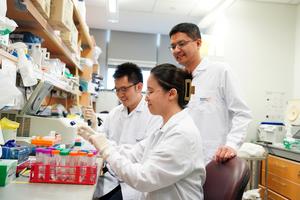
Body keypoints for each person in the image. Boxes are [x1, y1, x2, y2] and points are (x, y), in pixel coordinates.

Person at [78, 63, 206, 200]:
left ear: (171, 94)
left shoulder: (182, 134)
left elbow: (143, 178)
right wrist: (96, 138)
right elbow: (133, 154)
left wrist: (105, 149)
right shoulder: (165, 127)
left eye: (150, 91)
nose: (146, 97)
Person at [169, 22, 252, 164]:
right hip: (183, 159)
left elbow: (242, 113)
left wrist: (231, 145)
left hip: (213, 159)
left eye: (181, 44)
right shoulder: (177, 79)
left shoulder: (219, 71)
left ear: (198, 43)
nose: (176, 50)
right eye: (173, 46)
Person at [83, 62, 162, 200]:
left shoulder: (153, 115)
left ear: (139, 87)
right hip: (110, 176)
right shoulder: (114, 114)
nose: (120, 95)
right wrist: (92, 131)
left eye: (124, 89)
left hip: (133, 183)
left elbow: (145, 156)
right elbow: (101, 139)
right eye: (117, 89)